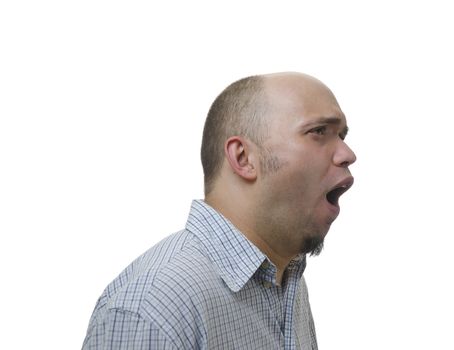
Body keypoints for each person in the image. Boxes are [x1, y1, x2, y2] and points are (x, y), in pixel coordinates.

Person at [82, 72, 356, 349]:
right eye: (319, 132)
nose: (348, 153)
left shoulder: (285, 281)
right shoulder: (152, 309)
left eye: (342, 135)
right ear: (243, 158)